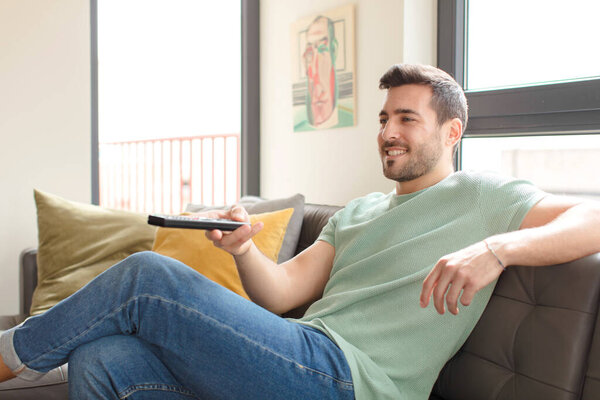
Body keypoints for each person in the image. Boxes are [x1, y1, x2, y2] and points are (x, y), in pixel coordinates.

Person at [2, 64, 600, 399]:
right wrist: (241, 250)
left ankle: (11, 355)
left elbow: (593, 218)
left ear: (452, 133)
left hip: (352, 382)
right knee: (104, 361)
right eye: (385, 118)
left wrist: (497, 249)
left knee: (146, 275)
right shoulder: (359, 211)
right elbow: (283, 293)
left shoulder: (482, 196)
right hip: (300, 361)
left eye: (407, 119)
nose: (388, 131)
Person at [295, 15, 353, 131]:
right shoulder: (299, 126)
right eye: (310, 52)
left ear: (334, 50)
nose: (315, 71)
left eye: (322, 49)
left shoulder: (347, 116)